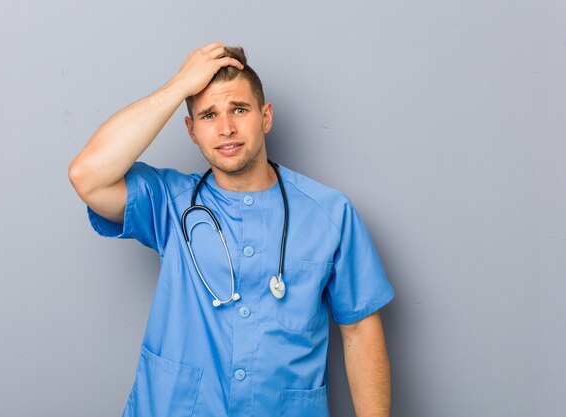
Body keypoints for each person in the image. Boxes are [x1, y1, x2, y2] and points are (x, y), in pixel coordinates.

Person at [68, 42, 395, 417]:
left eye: (239, 109)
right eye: (208, 115)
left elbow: (360, 333)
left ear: (265, 116)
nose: (226, 128)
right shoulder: (171, 203)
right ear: (191, 130)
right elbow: (87, 176)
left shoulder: (329, 213)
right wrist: (178, 86)